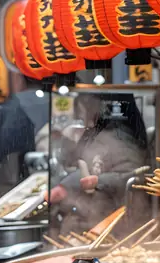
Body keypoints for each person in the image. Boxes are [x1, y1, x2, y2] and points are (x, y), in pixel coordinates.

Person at [49, 97, 149, 234]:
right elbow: (84, 166)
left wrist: (99, 181)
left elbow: (134, 175)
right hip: (97, 220)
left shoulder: (120, 137)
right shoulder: (96, 134)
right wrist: (66, 185)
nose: (83, 119)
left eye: (84, 111)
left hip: (119, 224)